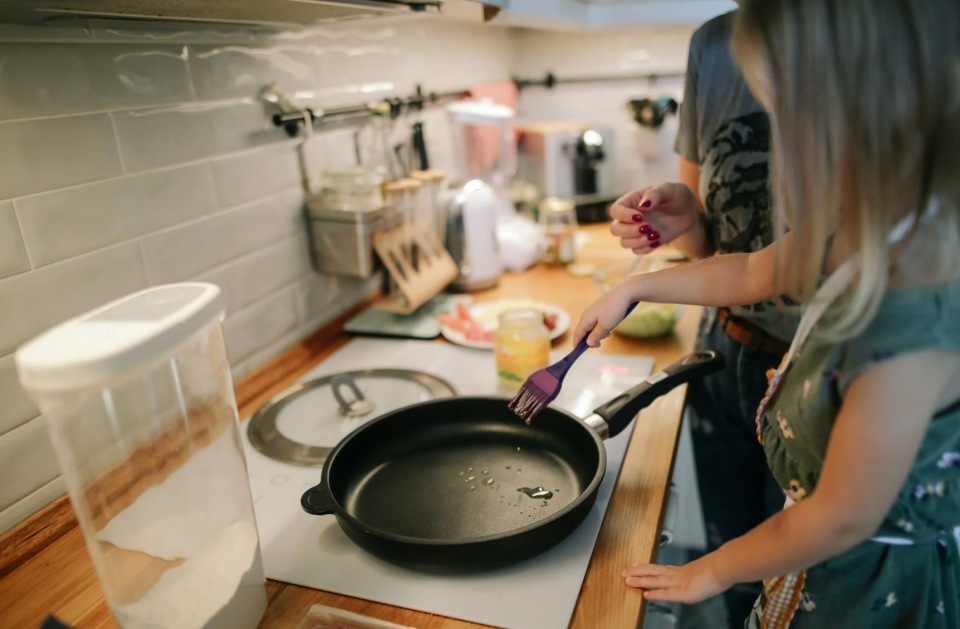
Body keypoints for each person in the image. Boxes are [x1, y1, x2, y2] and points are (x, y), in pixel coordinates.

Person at [576, 0, 960, 626]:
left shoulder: (912, 318)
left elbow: (841, 516)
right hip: (810, 558)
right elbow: (752, 271)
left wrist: (713, 569)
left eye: (789, 114)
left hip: (865, 589)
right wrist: (636, 288)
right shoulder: (866, 222)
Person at [609, 5, 790, 625]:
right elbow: (728, 256)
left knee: (790, 584)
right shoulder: (714, 45)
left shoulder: (880, 40)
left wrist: (640, 290)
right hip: (726, 350)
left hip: (818, 372)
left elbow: (841, 517)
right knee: (729, 566)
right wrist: (681, 219)